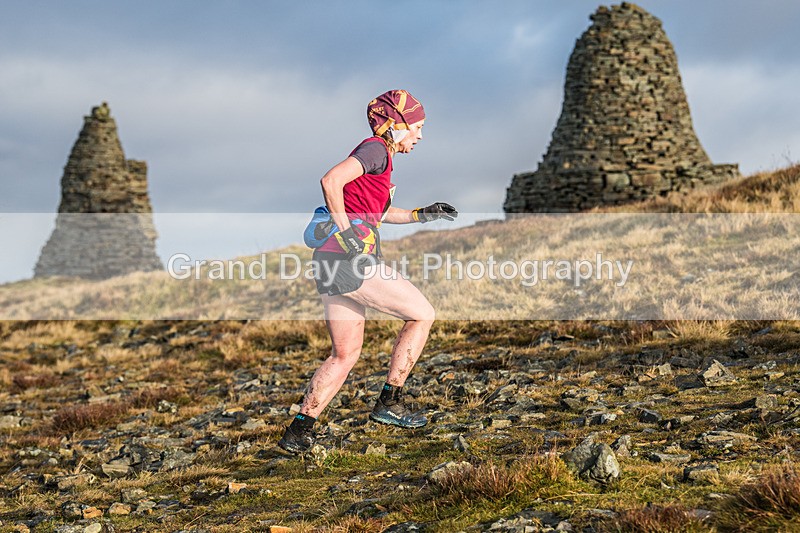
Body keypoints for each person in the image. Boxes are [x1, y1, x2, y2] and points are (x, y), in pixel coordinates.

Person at [278, 89, 458, 454]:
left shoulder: (382, 161)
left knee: (344, 355)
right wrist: (347, 236)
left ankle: (298, 432)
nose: (420, 136)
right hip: (348, 261)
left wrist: (423, 213)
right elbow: (330, 181)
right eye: (417, 127)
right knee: (422, 314)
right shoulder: (375, 149)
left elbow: (380, 214)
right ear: (396, 124)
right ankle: (390, 402)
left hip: (327, 263)